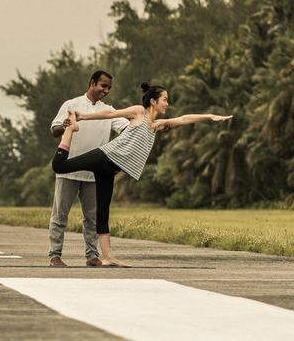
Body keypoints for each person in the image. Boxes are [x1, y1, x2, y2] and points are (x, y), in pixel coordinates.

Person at [54, 84, 230, 268]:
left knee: (103, 213)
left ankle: (108, 257)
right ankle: (70, 130)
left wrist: (209, 116)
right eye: (165, 99)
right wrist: (83, 117)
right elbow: (110, 114)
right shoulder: (139, 112)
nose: (167, 104)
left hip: (110, 170)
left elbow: (184, 119)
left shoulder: (156, 125)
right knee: (60, 166)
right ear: (153, 101)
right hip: (103, 157)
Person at [47, 70, 118, 267]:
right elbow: (54, 130)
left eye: (109, 87)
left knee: (92, 219)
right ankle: (55, 255)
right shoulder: (72, 104)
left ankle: (92, 256)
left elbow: (127, 125)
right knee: (60, 215)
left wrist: (151, 124)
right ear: (92, 83)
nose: (106, 90)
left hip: (93, 174)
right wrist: (66, 125)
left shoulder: (108, 110)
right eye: (103, 85)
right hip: (69, 169)